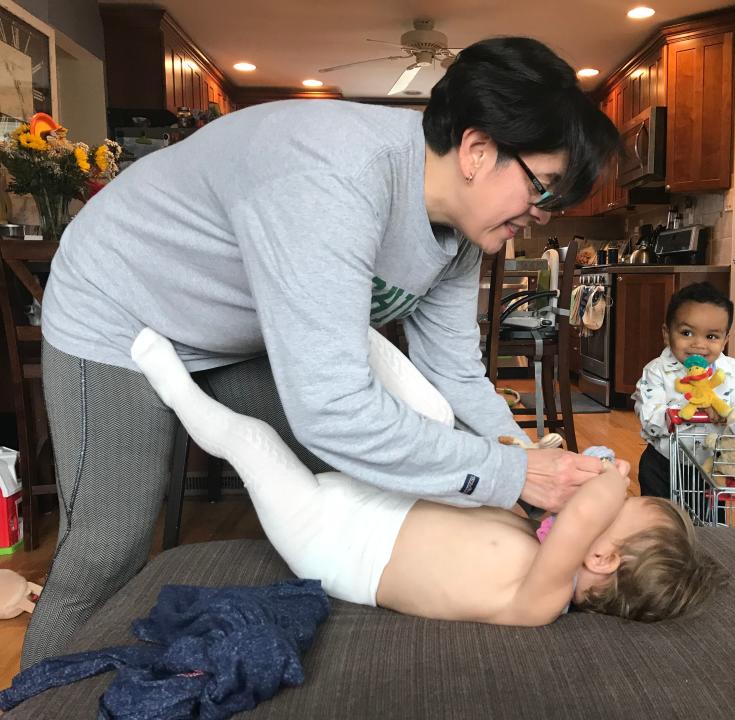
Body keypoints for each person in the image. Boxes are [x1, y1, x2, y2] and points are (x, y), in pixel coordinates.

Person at [26, 37, 620, 665]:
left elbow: (454, 374)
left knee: (353, 482)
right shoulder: (333, 176)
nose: (543, 215)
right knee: (108, 544)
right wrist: (512, 477)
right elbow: (333, 410)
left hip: (238, 330)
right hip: (120, 308)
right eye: (543, 188)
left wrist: (523, 459)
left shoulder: (466, 234)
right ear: (477, 150)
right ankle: (31, 699)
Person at [132, 327, 727, 624]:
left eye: (618, 507)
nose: (608, 494)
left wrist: (611, 476)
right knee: (438, 415)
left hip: (330, 543)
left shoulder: (539, 599)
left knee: (253, 441)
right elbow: (505, 481)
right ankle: (336, 327)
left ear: (601, 558)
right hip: (377, 501)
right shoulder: (534, 538)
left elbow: (585, 513)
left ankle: (167, 379)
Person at [632, 283, 735, 498]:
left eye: (711, 337)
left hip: (714, 467)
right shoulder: (657, 371)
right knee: (660, 525)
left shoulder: (733, 372)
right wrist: (693, 412)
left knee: (710, 528)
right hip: (665, 465)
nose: (698, 344)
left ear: (725, 340)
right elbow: (650, 418)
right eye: (687, 333)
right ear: (666, 333)